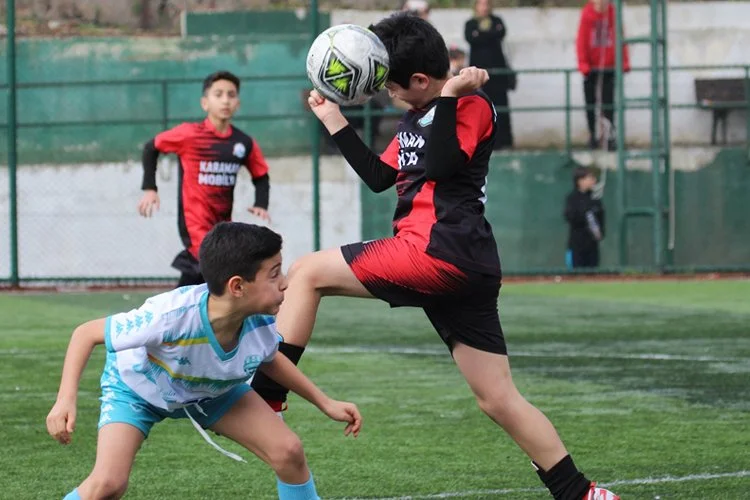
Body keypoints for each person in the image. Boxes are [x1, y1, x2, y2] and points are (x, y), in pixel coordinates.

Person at [251, 13, 619, 500]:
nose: (386, 91)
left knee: (307, 272)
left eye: (392, 84)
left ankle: (266, 397)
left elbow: (444, 165)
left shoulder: (470, 104)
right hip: (460, 263)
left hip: (436, 253)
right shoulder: (417, 115)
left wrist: (449, 98)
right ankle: (580, 493)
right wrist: (332, 119)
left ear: (422, 80)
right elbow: (381, 177)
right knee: (497, 398)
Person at [46, 222, 361, 500]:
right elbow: (86, 334)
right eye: (274, 274)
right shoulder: (169, 316)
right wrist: (65, 400)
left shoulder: (260, 322)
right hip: (138, 391)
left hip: (213, 392)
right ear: (237, 286)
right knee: (108, 485)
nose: (285, 283)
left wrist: (325, 402)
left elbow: (270, 359)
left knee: (289, 452)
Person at [137, 70, 272, 287]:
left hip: (222, 226)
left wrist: (261, 204)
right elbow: (150, 148)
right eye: (218, 94)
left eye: (231, 95)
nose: (225, 100)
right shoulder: (189, 134)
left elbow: (261, 174)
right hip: (195, 224)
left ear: (237, 103)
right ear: (205, 103)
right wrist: (150, 188)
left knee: (205, 282)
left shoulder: (243, 142)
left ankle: (176, 307)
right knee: (215, 271)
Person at [576, 0, 630, 150]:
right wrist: (583, 64)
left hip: (609, 68)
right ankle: (592, 135)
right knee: (590, 104)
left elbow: (620, 38)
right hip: (591, 69)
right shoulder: (587, 15)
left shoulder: (613, 14)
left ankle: (609, 137)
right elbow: (581, 40)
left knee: (608, 104)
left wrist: (624, 62)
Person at [465, 0, 514, 150]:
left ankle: (504, 141)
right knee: (481, 107)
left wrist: (481, 35)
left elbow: (500, 33)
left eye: (486, 4)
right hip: (479, 76)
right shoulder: (470, 24)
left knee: (501, 108)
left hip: (498, 75)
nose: (484, 7)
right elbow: (472, 38)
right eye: (481, 4)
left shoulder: (497, 20)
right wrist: (490, 34)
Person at [564, 167, 605, 268]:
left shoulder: (595, 199)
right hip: (577, 247)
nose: (593, 180)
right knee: (577, 273)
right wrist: (585, 214)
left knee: (593, 272)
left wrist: (600, 232)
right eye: (590, 178)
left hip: (592, 247)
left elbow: (600, 218)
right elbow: (570, 217)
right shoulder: (572, 198)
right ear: (580, 181)